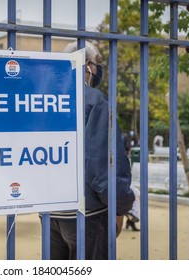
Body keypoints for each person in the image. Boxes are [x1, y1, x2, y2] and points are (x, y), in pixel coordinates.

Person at [48, 41, 134, 260]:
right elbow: (102, 165)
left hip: (51, 213)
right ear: (87, 66)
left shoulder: (44, 101)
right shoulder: (94, 100)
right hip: (88, 213)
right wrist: (119, 206)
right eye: (98, 63)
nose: (99, 69)